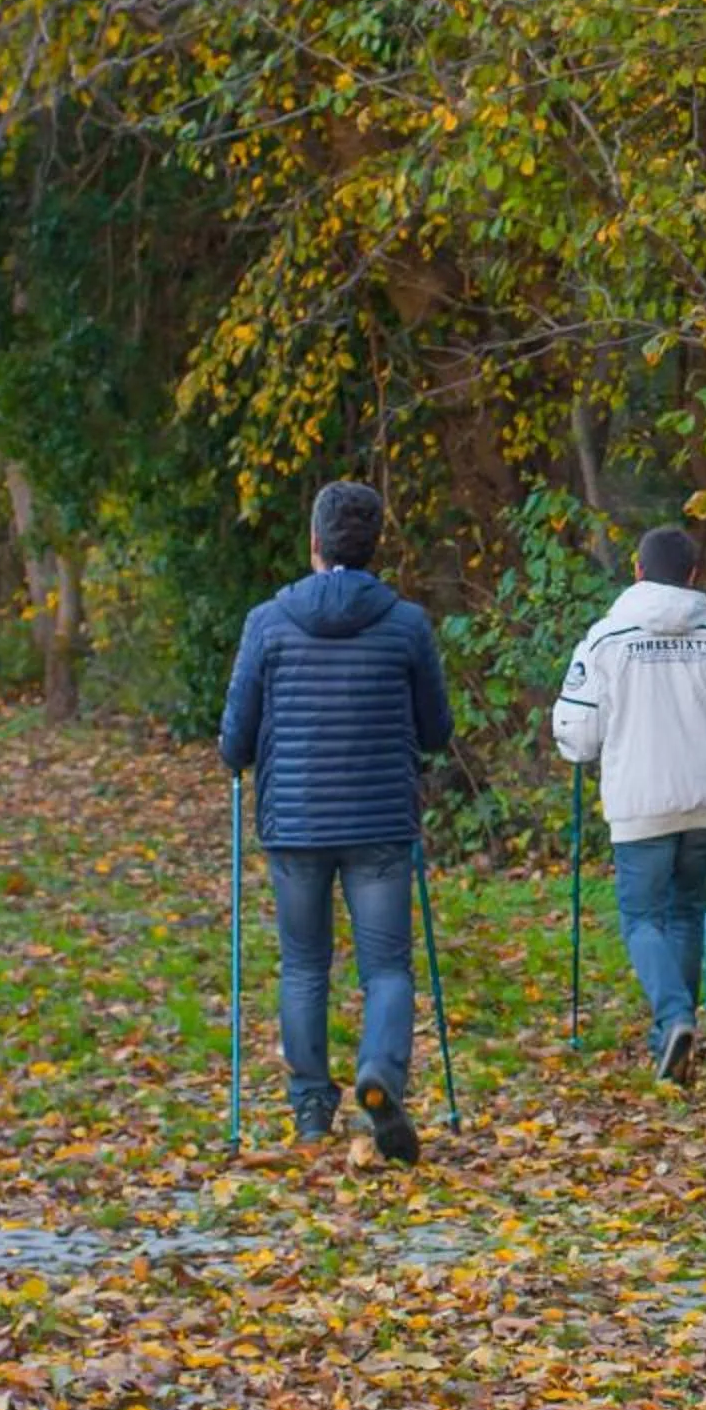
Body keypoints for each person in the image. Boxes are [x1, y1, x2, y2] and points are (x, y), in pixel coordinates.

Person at [220, 480, 453, 1165]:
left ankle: (312, 1112)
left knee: (303, 966)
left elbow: (235, 740)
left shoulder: (268, 621)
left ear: (314, 543)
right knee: (386, 967)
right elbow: (437, 730)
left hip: (294, 821)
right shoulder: (407, 624)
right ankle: (380, 1072)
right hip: (380, 817)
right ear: (375, 546)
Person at [552, 525, 706, 1085]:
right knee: (688, 910)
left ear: (637, 571)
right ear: (694, 576)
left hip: (641, 802)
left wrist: (576, 745)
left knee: (641, 916)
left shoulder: (605, 640)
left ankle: (673, 1019)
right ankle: (673, 1036)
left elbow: (578, 730)